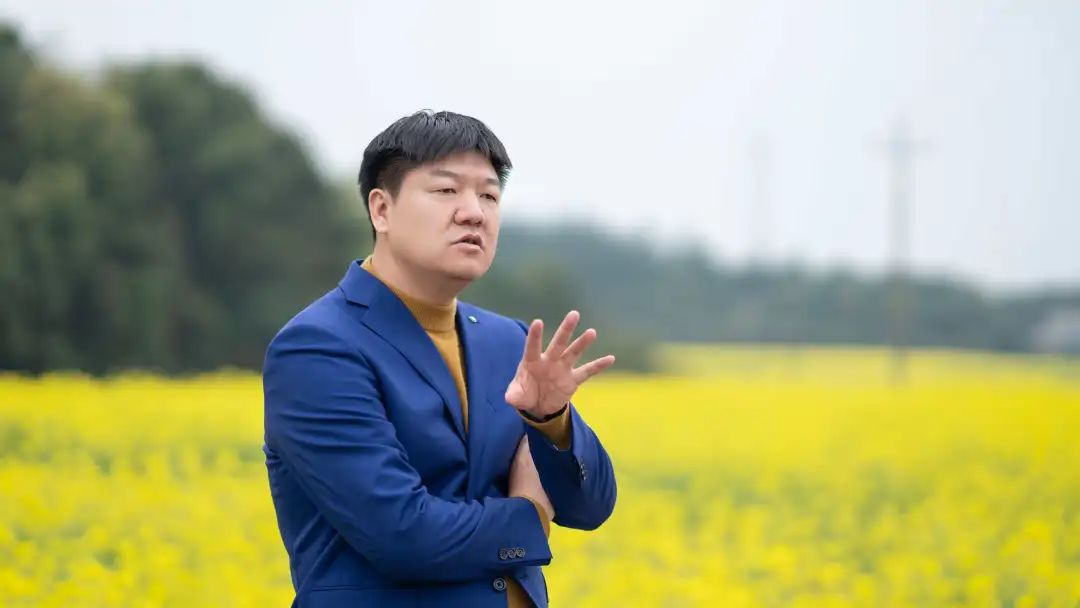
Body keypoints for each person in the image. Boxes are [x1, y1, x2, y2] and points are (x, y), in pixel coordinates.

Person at [262, 110, 618, 608]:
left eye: (489, 196)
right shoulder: (318, 348)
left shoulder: (510, 342)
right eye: (446, 190)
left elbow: (590, 507)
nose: (474, 213)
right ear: (381, 210)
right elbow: (402, 534)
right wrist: (531, 514)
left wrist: (552, 421)